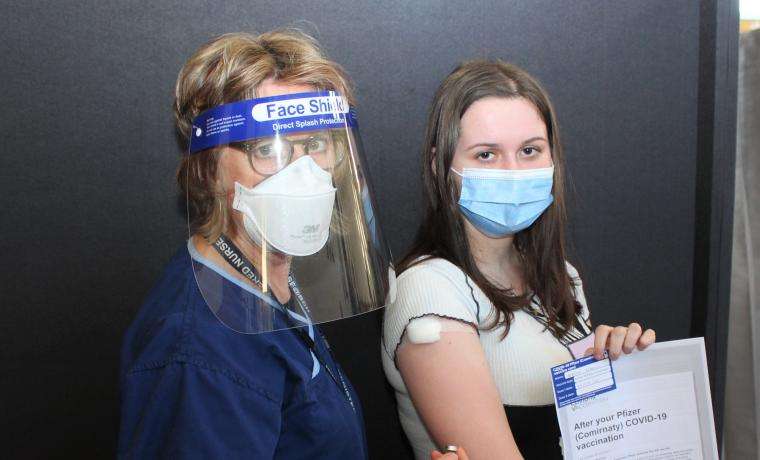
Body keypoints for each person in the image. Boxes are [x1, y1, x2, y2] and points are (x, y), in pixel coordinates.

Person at [118, 30, 397, 458]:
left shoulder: (268, 285)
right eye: (268, 148)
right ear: (209, 169)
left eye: (317, 143)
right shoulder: (197, 350)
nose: (304, 172)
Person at [382, 60, 657, 459]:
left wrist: (613, 361)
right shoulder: (430, 289)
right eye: (487, 155)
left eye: (529, 150)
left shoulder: (560, 276)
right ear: (440, 166)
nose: (513, 172)